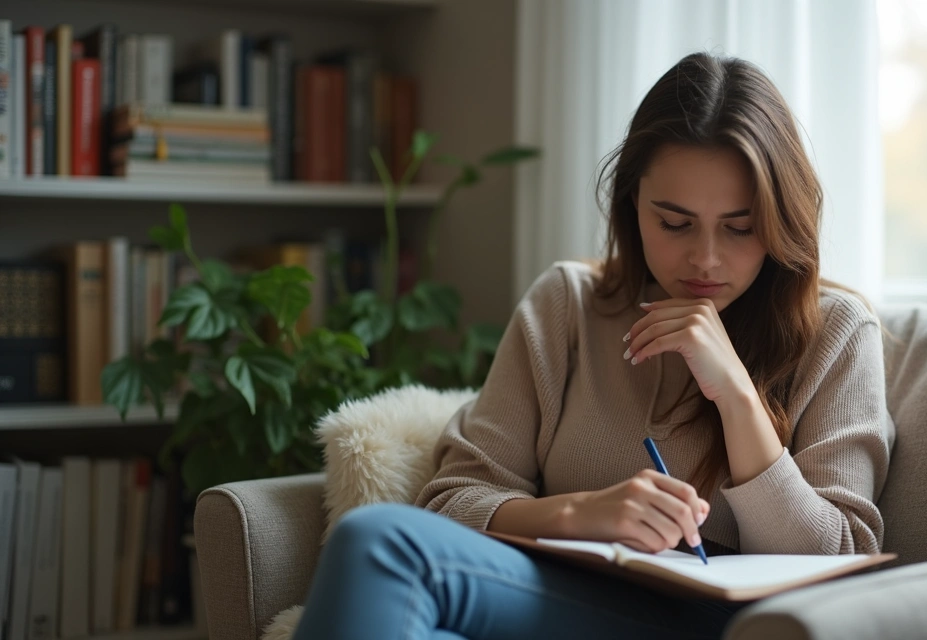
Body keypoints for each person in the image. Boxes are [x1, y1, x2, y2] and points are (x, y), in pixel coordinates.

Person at [292, 51, 895, 640]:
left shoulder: (837, 332)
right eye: (674, 222)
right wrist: (580, 514)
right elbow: (453, 499)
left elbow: (837, 556)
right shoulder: (569, 304)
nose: (705, 259)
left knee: (377, 543)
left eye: (741, 227)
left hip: (728, 621)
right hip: (561, 597)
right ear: (633, 204)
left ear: (781, 217)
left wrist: (736, 394)